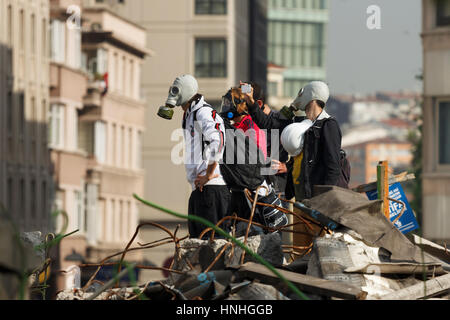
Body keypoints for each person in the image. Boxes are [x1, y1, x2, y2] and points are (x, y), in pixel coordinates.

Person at [242, 81, 344, 246]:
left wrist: (326, 200)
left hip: (318, 203)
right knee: (301, 249)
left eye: (302, 94)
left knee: (319, 247)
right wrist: (250, 101)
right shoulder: (299, 121)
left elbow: (332, 166)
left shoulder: (328, 125)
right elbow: (267, 123)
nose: (299, 98)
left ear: (311, 96)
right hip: (302, 201)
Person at [163, 74, 230, 238]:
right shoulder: (189, 114)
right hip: (199, 189)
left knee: (212, 244)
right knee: (198, 244)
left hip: (212, 189)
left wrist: (208, 174)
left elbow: (218, 140)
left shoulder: (203, 112)